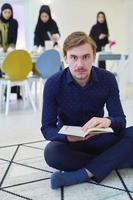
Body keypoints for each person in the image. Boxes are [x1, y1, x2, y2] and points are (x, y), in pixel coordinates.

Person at [41, 31, 133, 189]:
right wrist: (68, 138)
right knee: (52, 153)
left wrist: (107, 120)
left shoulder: (108, 79)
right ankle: (112, 160)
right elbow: (47, 128)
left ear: (94, 57)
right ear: (65, 59)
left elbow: (120, 121)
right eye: (74, 57)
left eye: (85, 57)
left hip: (100, 138)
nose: (80, 64)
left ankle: (83, 173)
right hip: (70, 144)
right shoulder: (53, 84)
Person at [0, 3, 21, 99]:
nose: (7, 14)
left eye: (9, 12)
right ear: (2, 12)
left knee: (13, 68)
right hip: (0, 50)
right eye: (5, 12)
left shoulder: (14, 22)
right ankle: (3, 91)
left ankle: (16, 92)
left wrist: (11, 47)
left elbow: (14, 37)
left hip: (10, 50)